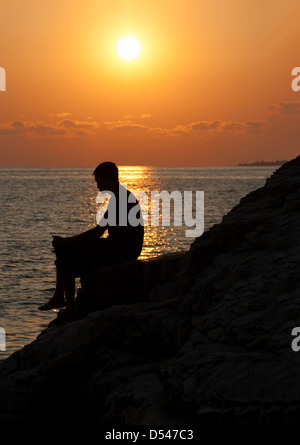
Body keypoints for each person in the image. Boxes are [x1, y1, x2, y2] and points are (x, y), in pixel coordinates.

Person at [38, 161, 144, 313]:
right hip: (117, 247)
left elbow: (98, 232)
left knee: (67, 254)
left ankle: (67, 305)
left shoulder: (121, 200)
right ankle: (62, 300)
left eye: (99, 181)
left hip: (122, 251)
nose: (97, 186)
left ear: (108, 179)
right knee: (66, 254)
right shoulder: (119, 197)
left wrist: (67, 242)